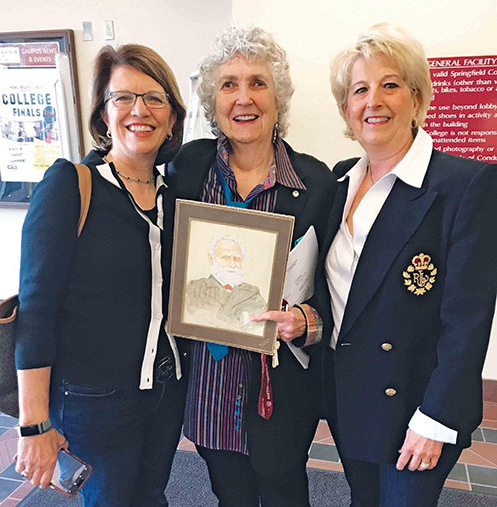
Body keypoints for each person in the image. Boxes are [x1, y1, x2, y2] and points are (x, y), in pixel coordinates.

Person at [311, 23, 497, 506]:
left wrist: (436, 419)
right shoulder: (338, 183)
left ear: (416, 99)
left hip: (416, 407)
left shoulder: (467, 185)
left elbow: (467, 321)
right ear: (346, 109)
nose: (374, 100)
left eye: (390, 85)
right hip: (350, 395)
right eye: (360, 89)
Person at [165, 26, 336, 507]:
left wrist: (306, 320)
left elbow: (337, 286)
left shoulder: (316, 183)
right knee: (229, 494)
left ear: (278, 97)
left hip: (277, 389)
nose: (244, 98)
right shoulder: (188, 169)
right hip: (209, 387)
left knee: (284, 492)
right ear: (213, 101)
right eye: (229, 84)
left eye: (258, 82)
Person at [14, 43, 187, 507]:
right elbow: (35, 309)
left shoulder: (179, 200)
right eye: (123, 98)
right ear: (103, 115)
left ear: (172, 118)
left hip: (165, 391)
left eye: (155, 98)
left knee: (151, 497)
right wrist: (34, 424)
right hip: (93, 400)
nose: (140, 111)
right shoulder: (71, 185)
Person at [185, 234, 267, 330]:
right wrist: (243, 319)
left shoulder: (252, 293)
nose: (232, 264)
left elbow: (261, 325)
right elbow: (198, 317)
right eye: (225, 258)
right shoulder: (197, 288)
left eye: (237, 259)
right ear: (211, 259)